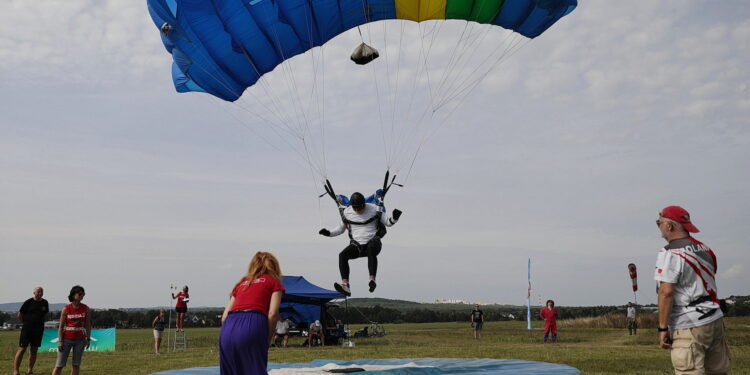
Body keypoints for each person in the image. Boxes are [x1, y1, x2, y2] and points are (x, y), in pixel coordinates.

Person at [654, 205, 731, 374]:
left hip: (689, 323)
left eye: (658, 222)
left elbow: (666, 292)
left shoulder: (669, 252)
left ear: (669, 225)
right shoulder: (705, 248)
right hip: (715, 319)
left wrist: (662, 328)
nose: (658, 226)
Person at [319, 192, 402, 296]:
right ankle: (346, 285)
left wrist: (394, 218)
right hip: (357, 245)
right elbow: (340, 229)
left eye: (360, 207)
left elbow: (388, 222)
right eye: (355, 208)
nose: (358, 210)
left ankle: (372, 279)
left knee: (371, 247)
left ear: (364, 204)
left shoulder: (374, 208)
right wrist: (328, 233)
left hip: (373, 243)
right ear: (352, 206)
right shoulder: (347, 212)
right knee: (342, 255)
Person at [220, 252, 284, 375]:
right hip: (253, 322)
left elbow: (224, 317)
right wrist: (267, 339)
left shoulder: (241, 283)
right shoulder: (273, 283)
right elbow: (272, 313)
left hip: (229, 326)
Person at [52, 285, 91, 375]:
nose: (82, 296)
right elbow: (61, 327)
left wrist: (88, 339)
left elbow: (88, 325)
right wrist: (60, 341)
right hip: (66, 340)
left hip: (80, 340)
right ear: (73, 295)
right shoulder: (66, 309)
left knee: (76, 364)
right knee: (59, 365)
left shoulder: (86, 308)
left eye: (83, 294)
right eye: (80, 294)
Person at [13, 286, 48, 375]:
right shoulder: (28, 302)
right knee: (22, 349)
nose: (40, 293)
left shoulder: (45, 303)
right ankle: (16, 371)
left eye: (41, 292)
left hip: (38, 330)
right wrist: (27, 322)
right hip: (27, 330)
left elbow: (45, 315)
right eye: (38, 292)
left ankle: (29, 370)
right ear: (34, 293)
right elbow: (20, 315)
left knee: (34, 350)